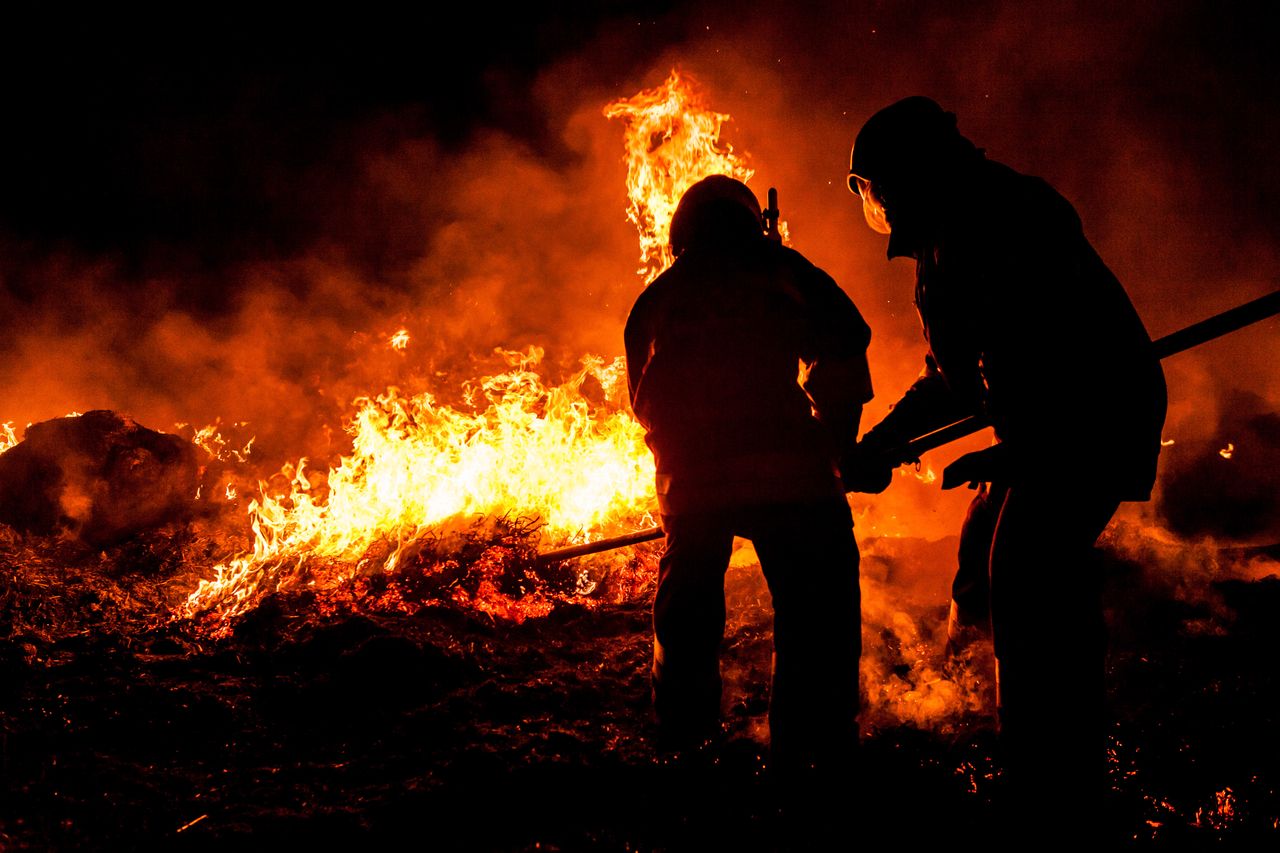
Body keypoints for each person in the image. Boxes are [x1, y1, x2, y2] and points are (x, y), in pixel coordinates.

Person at [842, 97, 1167, 835]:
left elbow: (1050, 352)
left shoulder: (996, 220)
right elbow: (959, 376)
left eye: (880, 186)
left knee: (1028, 569)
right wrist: (884, 443)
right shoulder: (953, 231)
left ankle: (1054, 780)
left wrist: (1016, 449)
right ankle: (991, 709)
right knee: (986, 546)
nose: (880, 204)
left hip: (1094, 414)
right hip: (1053, 422)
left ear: (909, 176)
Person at [624, 175, 872, 775]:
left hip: (695, 484)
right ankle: (812, 757)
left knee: (686, 615)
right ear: (755, 224)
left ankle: (684, 749)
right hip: (792, 477)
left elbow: (644, 401)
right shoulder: (781, 269)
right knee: (818, 608)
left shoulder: (659, 297)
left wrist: (684, 474)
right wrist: (838, 445)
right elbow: (843, 347)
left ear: (681, 235)